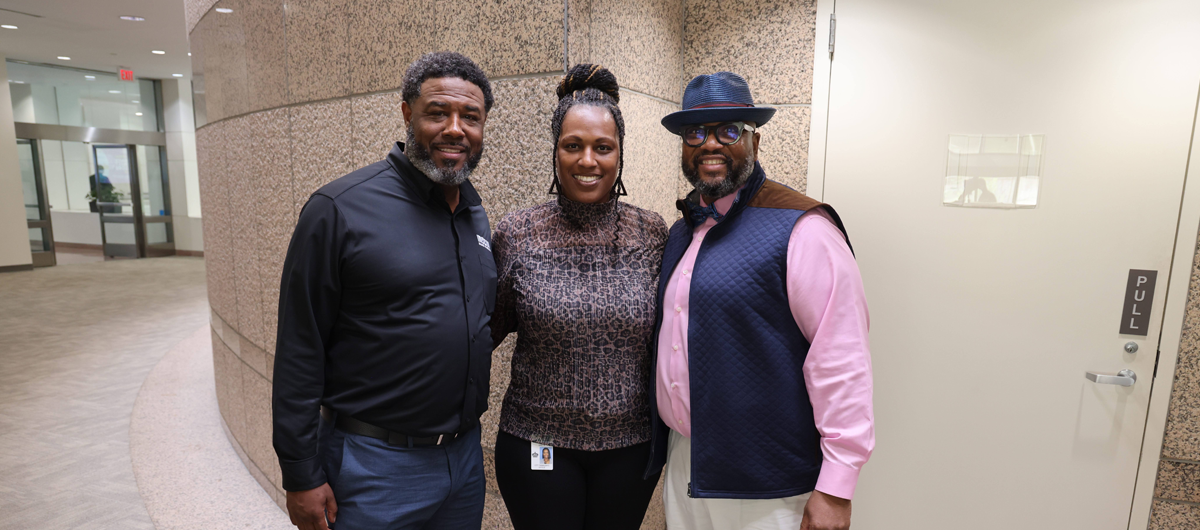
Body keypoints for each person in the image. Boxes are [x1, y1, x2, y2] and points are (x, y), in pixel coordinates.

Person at [271, 51, 496, 530]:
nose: (455, 128)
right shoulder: (339, 209)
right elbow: (299, 348)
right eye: (438, 112)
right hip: (372, 468)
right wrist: (300, 473)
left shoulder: (473, 213)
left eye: (470, 117)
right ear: (407, 113)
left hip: (463, 462)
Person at [646, 72, 875, 530]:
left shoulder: (803, 229)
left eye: (729, 130)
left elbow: (841, 360)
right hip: (688, 463)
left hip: (767, 486)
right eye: (696, 133)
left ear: (755, 141)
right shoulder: (681, 232)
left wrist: (836, 486)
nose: (710, 144)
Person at [490, 64, 669, 530]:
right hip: (537, 443)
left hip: (629, 448)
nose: (588, 160)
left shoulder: (650, 233)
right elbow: (481, 331)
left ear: (619, 154)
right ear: (556, 152)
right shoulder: (517, 232)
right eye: (573, 146)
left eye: (602, 147)